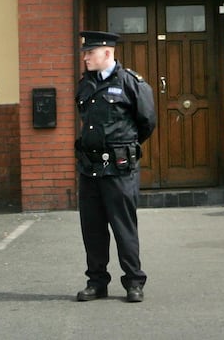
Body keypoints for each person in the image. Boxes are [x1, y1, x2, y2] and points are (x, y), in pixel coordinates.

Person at [74, 30, 157, 303]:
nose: (85, 57)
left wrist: (124, 147)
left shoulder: (131, 83)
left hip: (120, 169)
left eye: (90, 52)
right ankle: (96, 282)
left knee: (123, 228)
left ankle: (134, 282)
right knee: (93, 229)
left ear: (107, 53)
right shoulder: (85, 84)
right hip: (90, 168)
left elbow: (146, 123)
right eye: (85, 52)